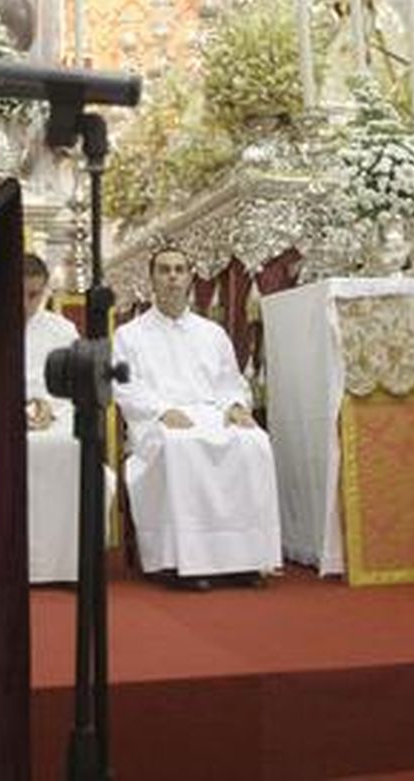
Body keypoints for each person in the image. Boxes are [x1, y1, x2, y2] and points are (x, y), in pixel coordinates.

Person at [110, 247, 281, 589]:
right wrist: (160, 411)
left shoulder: (211, 333)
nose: (172, 277)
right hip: (159, 421)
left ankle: (243, 559)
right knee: (180, 448)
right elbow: (124, 386)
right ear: (152, 279)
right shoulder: (129, 335)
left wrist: (235, 405)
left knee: (253, 443)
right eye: (164, 270)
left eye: (179, 270)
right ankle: (180, 562)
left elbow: (231, 382)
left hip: (211, 414)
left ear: (190, 277)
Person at [0, 254, 115, 584]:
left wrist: (51, 407)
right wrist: (9, 413)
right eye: (18, 294)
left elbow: (78, 385)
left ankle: (69, 565)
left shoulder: (62, 330)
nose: (25, 303)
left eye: (34, 295)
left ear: (46, 290)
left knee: (76, 452)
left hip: (54, 422)